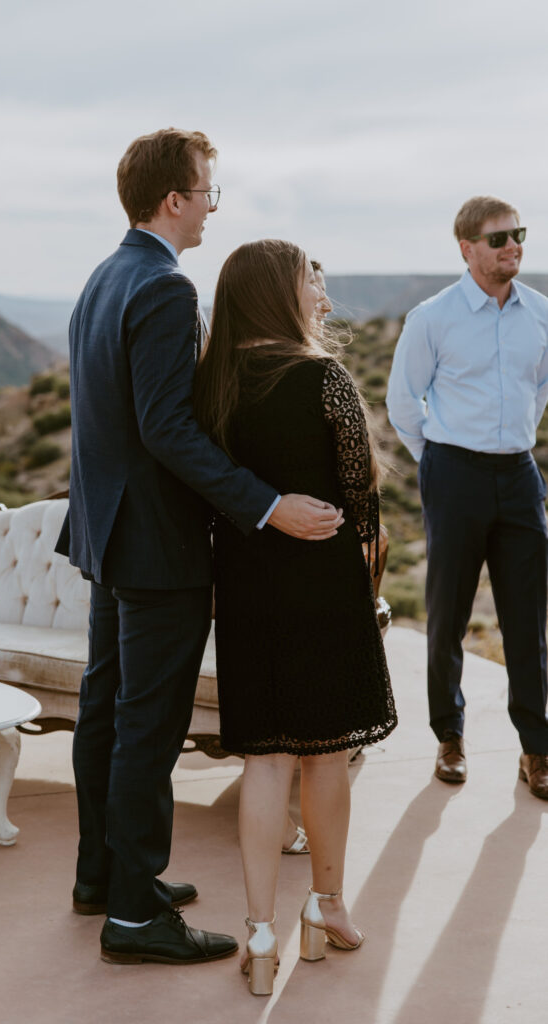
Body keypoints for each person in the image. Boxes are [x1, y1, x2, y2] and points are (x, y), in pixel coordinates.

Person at [55, 129, 345, 967]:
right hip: (154, 547)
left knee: (105, 713)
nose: (213, 206)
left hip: (107, 536)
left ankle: (104, 876)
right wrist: (264, 506)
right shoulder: (164, 289)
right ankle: (138, 916)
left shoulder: (103, 277)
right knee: (147, 729)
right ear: (175, 200)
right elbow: (166, 429)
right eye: (207, 192)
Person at [193, 239, 397, 994]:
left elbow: (205, 481)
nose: (322, 292)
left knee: (265, 758)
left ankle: (257, 931)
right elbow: (361, 499)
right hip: (319, 582)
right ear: (280, 291)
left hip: (245, 584)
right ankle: (326, 905)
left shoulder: (210, 384)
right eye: (312, 278)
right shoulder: (323, 376)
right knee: (324, 753)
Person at [386, 195, 548, 800]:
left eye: (518, 235)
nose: (513, 247)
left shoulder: (541, 313)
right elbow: (404, 403)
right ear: (468, 249)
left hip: (519, 476)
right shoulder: (433, 317)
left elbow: (540, 387)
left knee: (528, 618)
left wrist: (514, 440)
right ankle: (449, 737)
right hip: (453, 473)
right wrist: (438, 462)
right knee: (448, 613)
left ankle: (537, 749)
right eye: (500, 238)